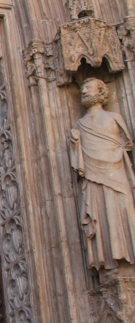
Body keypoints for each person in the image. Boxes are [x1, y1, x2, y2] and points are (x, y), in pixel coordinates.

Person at [69, 77, 135, 269]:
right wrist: (75, 144)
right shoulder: (78, 125)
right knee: (99, 212)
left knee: (123, 208)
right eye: (82, 89)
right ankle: (106, 260)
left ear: (101, 92)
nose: (84, 92)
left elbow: (126, 144)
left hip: (116, 173)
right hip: (93, 175)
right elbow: (77, 163)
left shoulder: (115, 118)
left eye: (88, 88)